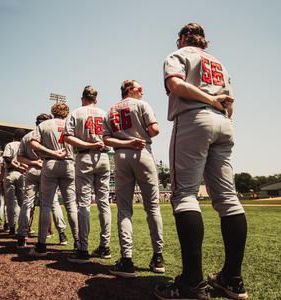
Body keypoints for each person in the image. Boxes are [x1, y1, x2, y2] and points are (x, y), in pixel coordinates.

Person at [154, 23, 247, 300]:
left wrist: (205, 100)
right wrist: (218, 107)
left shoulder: (177, 54)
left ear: (182, 38)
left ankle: (191, 283)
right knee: (229, 199)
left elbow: (175, 85)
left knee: (184, 195)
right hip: (223, 123)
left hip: (195, 119)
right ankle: (232, 279)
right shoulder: (218, 62)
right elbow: (229, 101)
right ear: (205, 40)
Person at [103, 80, 164, 278]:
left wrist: (126, 140)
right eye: (139, 88)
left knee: (124, 209)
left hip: (121, 155)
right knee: (152, 207)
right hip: (142, 152)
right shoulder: (142, 104)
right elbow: (155, 130)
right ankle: (158, 257)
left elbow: (105, 140)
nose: (142, 91)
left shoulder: (110, 110)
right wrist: (138, 137)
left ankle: (127, 260)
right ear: (129, 89)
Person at [64, 86, 112, 263]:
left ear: (82, 98)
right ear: (96, 99)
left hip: (84, 156)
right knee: (104, 203)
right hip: (104, 157)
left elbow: (67, 137)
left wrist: (89, 144)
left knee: (84, 204)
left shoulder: (76, 112)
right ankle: (105, 247)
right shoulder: (104, 113)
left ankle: (83, 250)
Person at [28, 102, 79, 257]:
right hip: (69, 163)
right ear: (66, 112)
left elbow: (34, 144)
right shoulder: (72, 124)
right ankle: (78, 242)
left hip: (49, 162)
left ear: (53, 111)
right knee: (71, 205)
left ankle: (41, 245)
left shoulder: (44, 124)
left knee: (46, 205)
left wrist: (51, 151)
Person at [16, 113, 68, 249]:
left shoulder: (27, 136)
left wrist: (32, 162)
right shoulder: (53, 131)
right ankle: (62, 234)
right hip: (49, 168)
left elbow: (19, 158)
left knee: (27, 203)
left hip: (33, 170)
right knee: (54, 204)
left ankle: (22, 236)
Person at [2, 129, 28, 235]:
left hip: (11, 173)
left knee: (10, 202)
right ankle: (22, 227)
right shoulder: (25, 145)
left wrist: (16, 165)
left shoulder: (10, 144)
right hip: (22, 174)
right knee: (22, 202)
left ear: (14, 136)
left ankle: (12, 227)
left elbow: (7, 158)